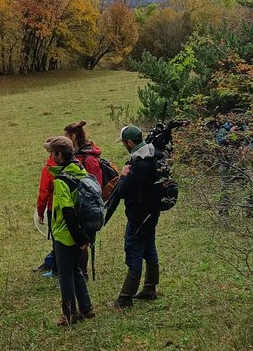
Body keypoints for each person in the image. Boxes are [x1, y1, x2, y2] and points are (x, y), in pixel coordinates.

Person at [106, 124, 163, 306]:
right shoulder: (153, 155)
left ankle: (125, 297)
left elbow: (123, 191)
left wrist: (123, 176)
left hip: (139, 214)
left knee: (134, 251)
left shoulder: (140, 165)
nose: (124, 145)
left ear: (130, 143)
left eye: (124, 143)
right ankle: (150, 288)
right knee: (149, 246)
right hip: (151, 212)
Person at [44, 136, 95, 326]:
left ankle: (69, 315)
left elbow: (67, 211)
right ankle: (86, 308)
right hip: (81, 231)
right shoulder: (80, 170)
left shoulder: (61, 180)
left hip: (65, 235)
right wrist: (82, 237)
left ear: (59, 155)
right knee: (75, 270)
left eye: (52, 153)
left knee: (65, 275)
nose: (50, 156)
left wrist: (77, 237)